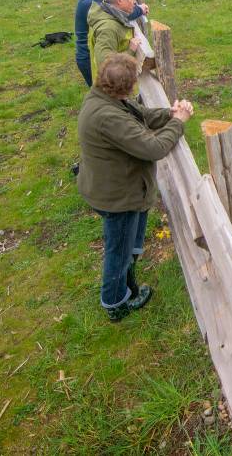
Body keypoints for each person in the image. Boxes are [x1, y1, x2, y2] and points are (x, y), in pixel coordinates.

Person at [77, 53, 194, 321]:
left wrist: (169, 113)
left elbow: (138, 114)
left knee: (127, 242)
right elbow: (154, 148)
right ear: (126, 87)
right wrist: (178, 122)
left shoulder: (103, 97)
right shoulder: (109, 117)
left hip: (119, 188)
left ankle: (127, 275)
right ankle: (115, 302)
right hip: (117, 196)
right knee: (117, 250)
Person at [74, 0, 148, 86]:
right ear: (119, 0)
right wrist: (131, 50)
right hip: (87, 57)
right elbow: (107, 65)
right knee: (103, 88)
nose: (134, 1)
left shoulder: (104, 8)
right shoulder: (106, 24)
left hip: (92, 56)